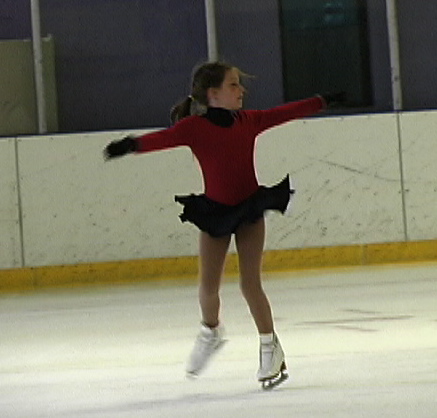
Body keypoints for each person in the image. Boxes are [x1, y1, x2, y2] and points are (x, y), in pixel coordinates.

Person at [104, 61, 344, 389]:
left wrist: (321, 101)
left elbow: (282, 113)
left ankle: (270, 348)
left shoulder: (249, 121)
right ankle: (211, 332)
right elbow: (164, 138)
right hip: (215, 213)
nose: (241, 90)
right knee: (208, 287)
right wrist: (131, 144)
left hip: (249, 209)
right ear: (213, 94)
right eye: (234, 84)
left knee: (250, 284)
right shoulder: (194, 128)